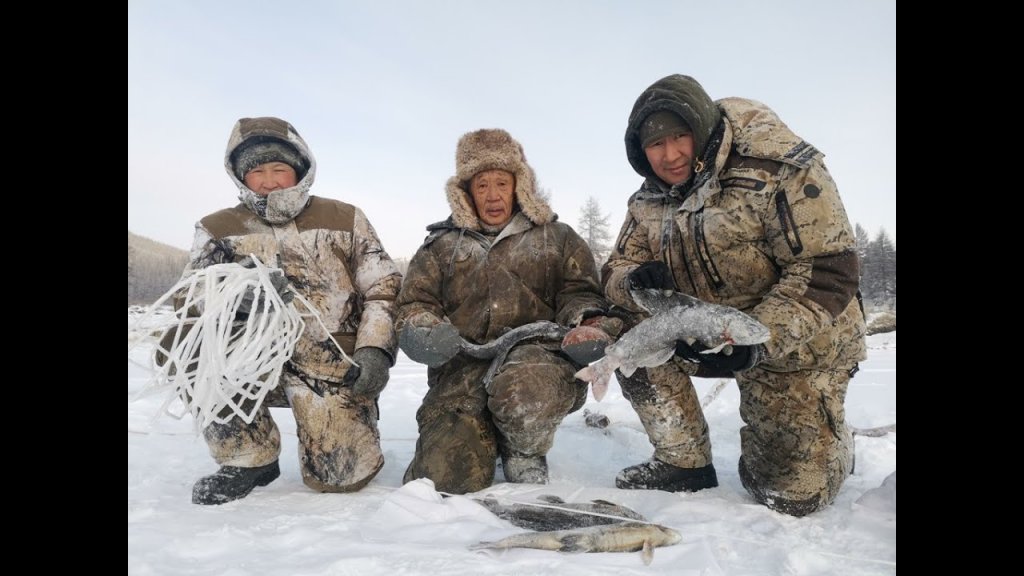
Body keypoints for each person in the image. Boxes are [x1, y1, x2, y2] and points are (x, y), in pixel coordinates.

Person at [603, 75, 866, 516]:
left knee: (789, 495)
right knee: (628, 334)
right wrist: (632, 280)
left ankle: (832, 440)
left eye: (679, 136)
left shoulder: (780, 168)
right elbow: (615, 267)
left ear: (701, 127)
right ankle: (683, 462)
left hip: (793, 343)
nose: (669, 155)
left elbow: (826, 272)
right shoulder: (646, 200)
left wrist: (760, 343)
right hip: (703, 334)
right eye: (655, 145)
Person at [182, 116, 402, 505]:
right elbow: (192, 298)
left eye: (279, 169)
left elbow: (383, 291)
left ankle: (344, 431)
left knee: (338, 480)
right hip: (251, 359)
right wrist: (234, 301)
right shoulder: (216, 228)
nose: (268, 181)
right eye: (256, 171)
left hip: (332, 364)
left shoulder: (345, 217)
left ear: (299, 170)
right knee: (188, 351)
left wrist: (375, 350)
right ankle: (248, 457)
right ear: (240, 176)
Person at [395, 128, 618, 494]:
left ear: (519, 185)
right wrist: (422, 328)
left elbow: (581, 293)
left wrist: (585, 323)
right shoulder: (440, 246)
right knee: (445, 480)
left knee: (521, 397)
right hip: (461, 368)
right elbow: (415, 304)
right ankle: (483, 433)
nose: (493, 195)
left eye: (502, 182)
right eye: (482, 185)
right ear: (466, 191)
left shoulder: (557, 236)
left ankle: (524, 449)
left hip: (536, 360)